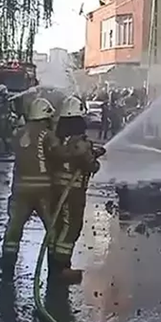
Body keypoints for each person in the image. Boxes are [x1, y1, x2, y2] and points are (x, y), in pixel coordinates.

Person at [0, 97, 58, 276]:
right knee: (52, 229)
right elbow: (58, 155)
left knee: (14, 228)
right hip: (43, 192)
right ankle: (55, 269)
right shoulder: (48, 135)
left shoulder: (18, 133)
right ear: (45, 117)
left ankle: (8, 267)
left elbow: (14, 149)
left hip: (20, 191)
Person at [50, 95, 104, 284]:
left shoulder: (59, 139)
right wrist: (93, 158)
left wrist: (93, 152)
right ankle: (60, 267)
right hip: (72, 192)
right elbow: (90, 166)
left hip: (58, 189)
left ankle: (56, 263)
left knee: (60, 227)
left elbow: (70, 157)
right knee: (71, 227)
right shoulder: (79, 142)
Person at [0, 84, 12, 153]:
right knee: (1, 135)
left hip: (5, 119)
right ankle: (1, 150)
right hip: (1, 119)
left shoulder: (6, 99)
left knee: (6, 135)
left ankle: (7, 149)